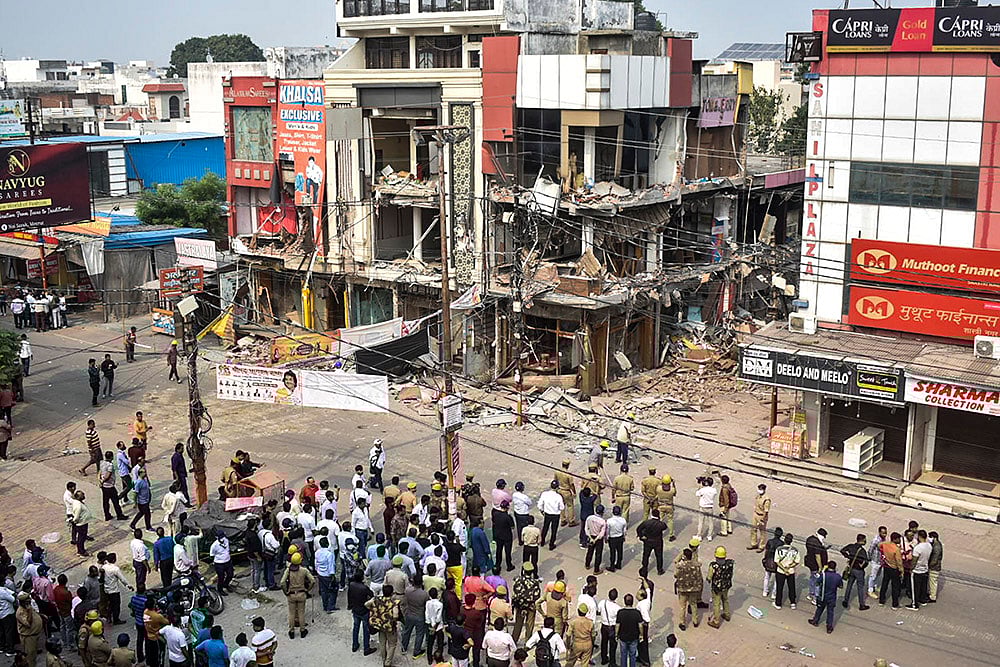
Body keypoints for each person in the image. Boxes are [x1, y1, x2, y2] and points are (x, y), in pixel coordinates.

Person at [281, 551, 315, 639]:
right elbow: (312, 580)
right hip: (301, 593)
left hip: (291, 594)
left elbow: (282, 582)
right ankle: (302, 630)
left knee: (291, 613)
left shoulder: (288, 570)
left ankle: (292, 631)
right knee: (301, 613)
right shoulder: (304, 570)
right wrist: (308, 589)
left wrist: (286, 591)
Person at [368, 584, 402, 667]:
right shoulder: (393, 603)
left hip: (380, 625)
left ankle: (384, 660)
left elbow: (366, 604)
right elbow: (395, 615)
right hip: (390, 627)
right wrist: (394, 621)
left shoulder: (377, 600)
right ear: (391, 593)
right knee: (392, 644)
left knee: (382, 643)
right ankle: (388, 662)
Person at [808, 561, 843, 634]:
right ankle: (829, 627)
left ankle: (815, 621)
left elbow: (817, 583)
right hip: (832, 597)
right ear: (835, 567)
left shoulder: (823, 575)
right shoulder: (838, 576)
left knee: (819, 609)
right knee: (830, 612)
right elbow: (841, 586)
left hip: (823, 596)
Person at [511, 562, 541, 644]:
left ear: (523, 571)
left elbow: (515, 594)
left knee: (518, 625)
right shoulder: (535, 583)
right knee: (529, 626)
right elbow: (537, 596)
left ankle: (514, 641)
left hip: (520, 607)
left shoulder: (518, 581)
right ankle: (528, 643)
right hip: (531, 607)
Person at [840, 534, 871, 611]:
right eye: (865, 540)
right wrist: (861, 566)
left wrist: (848, 557)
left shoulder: (851, 546)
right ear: (862, 540)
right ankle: (861, 605)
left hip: (851, 569)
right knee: (860, 587)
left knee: (849, 585)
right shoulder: (862, 551)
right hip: (859, 571)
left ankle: (845, 601)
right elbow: (866, 562)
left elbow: (842, 550)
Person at [348, 571, 377, 655]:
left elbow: (349, 596)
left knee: (356, 628)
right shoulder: (364, 588)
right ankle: (366, 648)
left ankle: (355, 645)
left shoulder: (351, 585)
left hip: (355, 609)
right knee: (366, 630)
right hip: (364, 611)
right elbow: (371, 595)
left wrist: (350, 606)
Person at [674, 548, 702, 631]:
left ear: (685, 556)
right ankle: (695, 621)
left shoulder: (681, 566)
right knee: (693, 604)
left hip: (683, 589)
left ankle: (682, 622)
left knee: (683, 606)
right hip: (694, 588)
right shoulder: (696, 565)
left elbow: (676, 575)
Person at [706, 547, 733, 629]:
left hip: (717, 588)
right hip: (726, 586)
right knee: (725, 599)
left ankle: (716, 621)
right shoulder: (730, 564)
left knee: (716, 603)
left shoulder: (713, 566)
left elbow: (709, 577)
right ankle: (727, 614)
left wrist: (708, 579)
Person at [636, 509, 668, 576]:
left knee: (646, 555)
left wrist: (641, 536)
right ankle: (659, 569)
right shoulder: (661, 524)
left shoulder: (647, 522)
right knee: (659, 556)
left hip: (648, 541)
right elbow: (665, 527)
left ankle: (644, 568)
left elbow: (638, 529)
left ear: (652, 514)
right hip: (658, 542)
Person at [100, 451, 129, 521]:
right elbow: (108, 475)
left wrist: (100, 481)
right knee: (115, 502)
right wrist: (103, 480)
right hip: (110, 486)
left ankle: (107, 515)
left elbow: (99, 472)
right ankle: (119, 515)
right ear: (111, 457)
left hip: (104, 486)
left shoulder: (102, 463)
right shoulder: (110, 465)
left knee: (105, 502)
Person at [615, 594, 642, 667]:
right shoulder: (637, 613)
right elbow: (640, 625)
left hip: (623, 637)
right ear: (632, 602)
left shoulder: (620, 612)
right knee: (632, 655)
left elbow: (617, 625)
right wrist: (641, 635)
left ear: (624, 602)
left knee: (623, 654)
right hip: (634, 637)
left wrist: (616, 635)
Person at [537, 481, 565, 551]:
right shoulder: (558, 497)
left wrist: (542, 510)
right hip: (555, 515)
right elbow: (562, 507)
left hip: (547, 514)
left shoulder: (545, 494)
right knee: (554, 530)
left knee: (545, 528)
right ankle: (551, 544)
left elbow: (540, 504)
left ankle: (542, 541)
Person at [16, 592, 42, 665]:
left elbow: (34, 615)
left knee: (33, 657)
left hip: (34, 634)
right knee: (29, 658)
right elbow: (28, 623)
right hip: (28, 637)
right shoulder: (20, 612)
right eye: (27, 602)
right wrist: (29, 610)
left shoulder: (28, 607)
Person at [805, 528, 829, 603]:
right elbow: (817, 556)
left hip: (809, 562)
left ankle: (810, 594)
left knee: (812, 578)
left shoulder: (809, 539)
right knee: (817, 582)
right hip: (815, 565)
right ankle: (815, 598)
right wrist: (820, 567)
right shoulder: (818, 544)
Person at [910, 530, 933, 609]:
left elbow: (914, 560)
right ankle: (923, 600)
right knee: (923, 587)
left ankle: (914, 604)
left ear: (919, 537)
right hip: (925, 569)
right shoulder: (929, 545)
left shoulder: (917, 548)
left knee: (915, 588)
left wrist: (911, 569)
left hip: (917, 570)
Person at [493, 501, 516, 574]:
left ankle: (497, 564)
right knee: (507, 552)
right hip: (507, 536)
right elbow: (512, 527)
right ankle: (509, 565)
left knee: (498, 550)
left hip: (498, 535)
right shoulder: (508, 517)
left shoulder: (496, 514)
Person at [761, 527, 784, 600]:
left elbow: (766, 551)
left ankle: (765, 591)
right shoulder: (781, 543)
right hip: (776, 563)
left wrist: (765, 559)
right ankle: (774, 594)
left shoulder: (769, 541)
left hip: (769, 560)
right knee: (776, 579)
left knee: (767, 576)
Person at [554, 461, 578, 528]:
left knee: (562, 505)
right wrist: (574, 492)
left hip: (559, 490)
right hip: (566, 491)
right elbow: (572, 485)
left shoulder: (557, 472)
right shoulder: (568, 475)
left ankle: (563, 520)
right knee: (570, 506)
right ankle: (571, 521)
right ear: (568, 465)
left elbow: (555, 480)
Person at [584, 505, 607, 575]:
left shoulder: (589, 518)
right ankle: (596, 569)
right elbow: (601, 534)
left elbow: (586, 529)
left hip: (591, 536)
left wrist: (591, 538)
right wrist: (596, 539)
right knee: (598, 554)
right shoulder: (603, 522)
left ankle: (587, 564)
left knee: (589, 552)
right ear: (602, 512)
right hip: (598, 539)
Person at [867, 526, 888, 599]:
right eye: (883, 533)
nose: (885, 534)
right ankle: (870, 590)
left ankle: (875, 586)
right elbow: (870, 549)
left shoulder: (884, 539)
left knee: (878, 574)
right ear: (879, 532)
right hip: (875, 560)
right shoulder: (876, 540)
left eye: (885, 533)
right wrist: (869, 558)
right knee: (873, 576)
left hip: (881, 560)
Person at [71, 490, 94, 556]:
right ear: (78, 497)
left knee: (81, 537)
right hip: (81, 524)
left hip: (83, 523)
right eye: (82, 495)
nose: (84, 496)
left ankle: (81, 550)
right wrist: (75, 521)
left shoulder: (78, 502)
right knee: (81, 538)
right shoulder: (78, 506)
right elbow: (76, 517)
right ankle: (81, 551)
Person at [694, 477, 718, 542]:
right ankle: (709, 536)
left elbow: (697, 494)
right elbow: (714, 492)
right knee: (710, 522)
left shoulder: (703, 490)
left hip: (703, 507)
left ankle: (699, 535)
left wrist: (700, 486)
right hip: (710, 507)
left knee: (701, 522)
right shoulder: (714, 490)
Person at [655, 476, 676, 543]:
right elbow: (675, 494)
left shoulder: (659, 489)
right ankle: (671, 535)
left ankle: (658, 533)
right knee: (670, 520)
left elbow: (658, 489)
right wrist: (673, 483)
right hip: (669, 506)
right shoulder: (672, 490)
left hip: (661, 506)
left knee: (660, 520)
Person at [749, 484, 770, 549]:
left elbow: (766, 511)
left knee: (762, 531)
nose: (759, 491)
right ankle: (754, 543)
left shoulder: (766, 499)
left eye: (761, 489)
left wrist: (763, 519)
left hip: (762, 516)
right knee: (753, 529)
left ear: (764, 490)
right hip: (756, 514)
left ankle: (762, 546)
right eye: (759, 489)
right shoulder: (758, 496)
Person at [927, 531, 943, 603]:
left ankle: (932, 597)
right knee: (931, 582)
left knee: (933, 582)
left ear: (934, 538)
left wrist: (929, 566)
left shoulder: (936, 547)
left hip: (934, 568)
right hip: (935, 567)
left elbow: (935, 559)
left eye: (930, 537)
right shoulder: (936, 545)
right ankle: (930, 594)